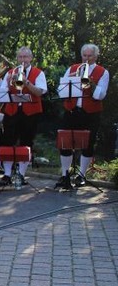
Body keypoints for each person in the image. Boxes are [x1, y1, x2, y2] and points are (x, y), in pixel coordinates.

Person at [58, 43, 110, 187]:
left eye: (90, 56)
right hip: (71, 111)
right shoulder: (72, 69)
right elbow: (61, 90)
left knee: (88, 144)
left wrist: (90, 82)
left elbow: (100, 96)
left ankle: (81, 175)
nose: (87, 59)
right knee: (65, 143)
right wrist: (71, 79)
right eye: (84, 56)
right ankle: (65, 175)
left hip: (91, 113)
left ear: (96, 56)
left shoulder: (102, 72)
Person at [0, 46, 47, 187]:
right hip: (12, 111)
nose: (23, 60)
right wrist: (8, 81)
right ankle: (7, 174)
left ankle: (21, 174)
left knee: (27, 143)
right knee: (7, 141)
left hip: (31, 113)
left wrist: (26, 82)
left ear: (31, 58)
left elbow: (39, 92)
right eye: (20, 57)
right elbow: (2, 93)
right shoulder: (10, 73)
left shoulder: (38, 73)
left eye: (25, 57)